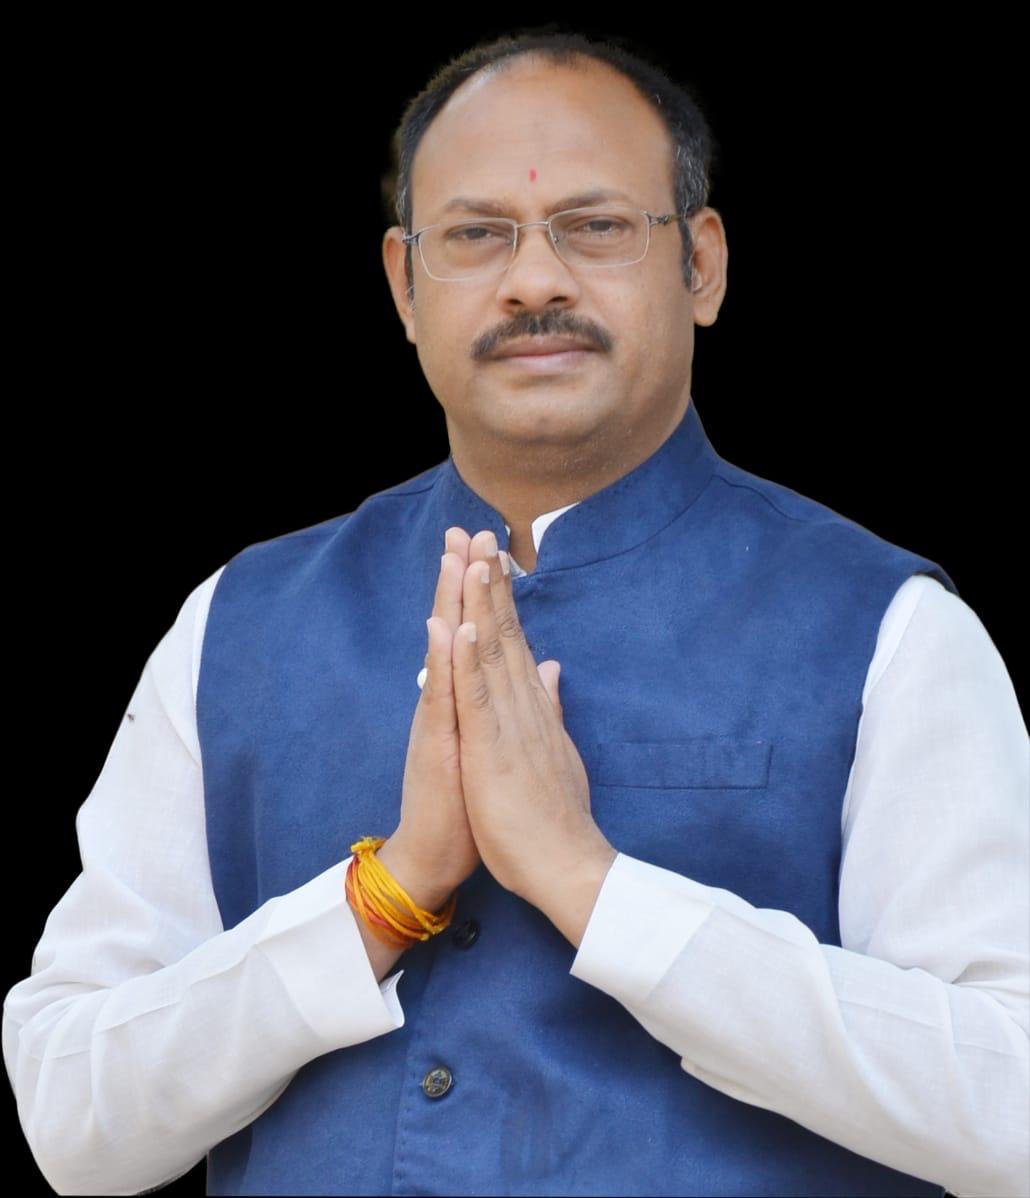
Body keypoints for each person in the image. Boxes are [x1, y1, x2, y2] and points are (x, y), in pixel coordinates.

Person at [4, 28, 1028, 1198]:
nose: (534, 281)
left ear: (701, 265)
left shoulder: (885, 629)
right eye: (476, 234)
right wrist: (386, 894)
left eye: (594, 226)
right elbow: (74, 1124)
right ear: (404, 285)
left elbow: (1008, 1104)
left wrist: (591, 884)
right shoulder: (240, 626)